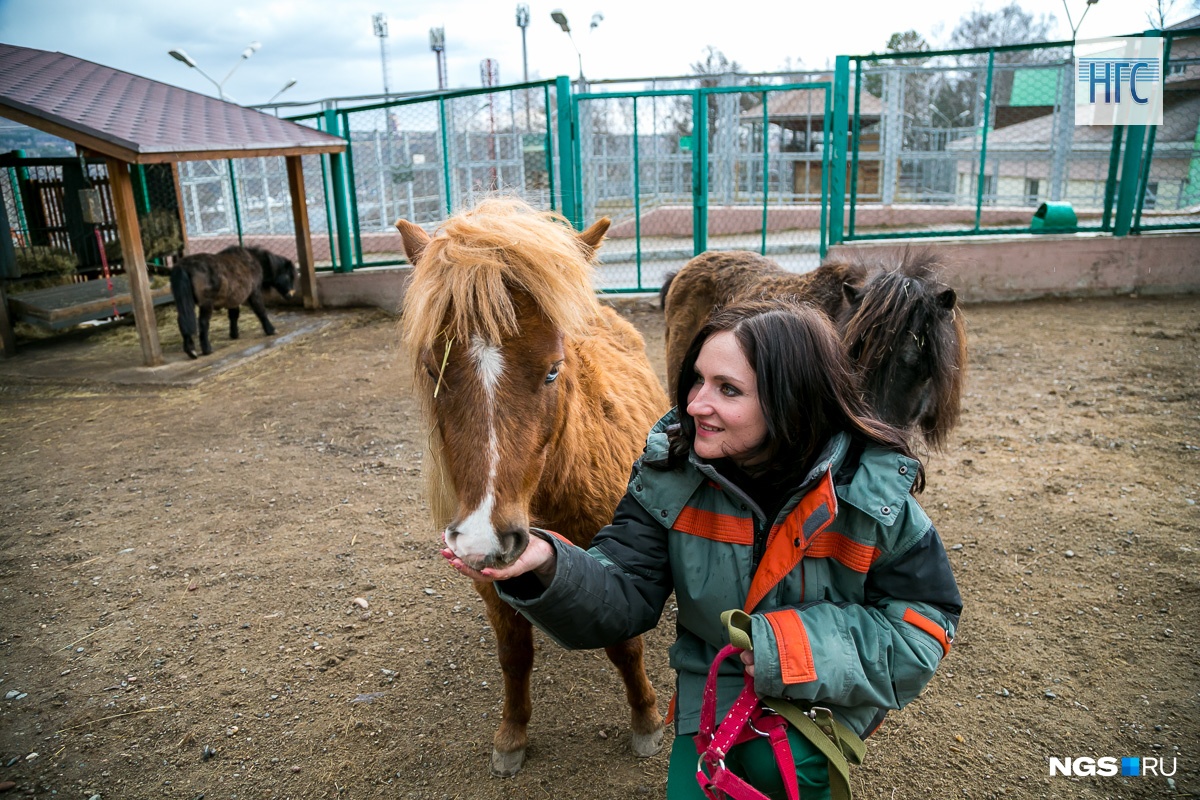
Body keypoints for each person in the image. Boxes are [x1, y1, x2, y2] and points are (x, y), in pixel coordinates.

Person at [443, 300, 962, 800]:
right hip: (711, 712)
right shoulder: (672, 475)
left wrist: (792, 652)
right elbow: (625, 590)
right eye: (697, 379)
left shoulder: (872, 498)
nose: (693, 405)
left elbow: (926, 624)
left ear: (792, 400)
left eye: (728, 389)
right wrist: (550, 566)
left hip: (820, 710)